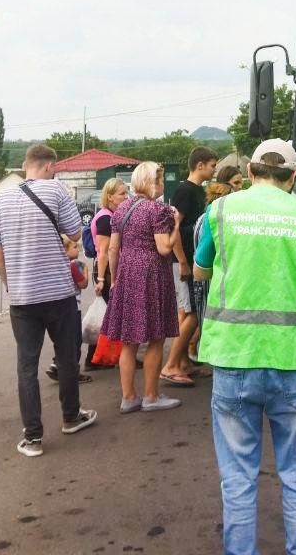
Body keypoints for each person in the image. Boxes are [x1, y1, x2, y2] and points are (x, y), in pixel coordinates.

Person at [193, 139, 296, 555]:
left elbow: (201, 271)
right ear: (292, 178)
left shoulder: (219, 212)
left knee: (237, 478)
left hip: (234, 359)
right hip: (294, 360)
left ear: (250, 173)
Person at [0, 144, 97, 458]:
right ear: (49, 166)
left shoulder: (1, 198)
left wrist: (12, 285)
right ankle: (71, 417)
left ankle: (33, 437)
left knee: (26, 365)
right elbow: (75, 233)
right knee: (65, 358)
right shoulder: (57, 190)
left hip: (22, 298)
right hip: (59, 294)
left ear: (26, 166)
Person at [101, 161, 182, 413]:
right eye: (159, 180)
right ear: (151, 182)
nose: (161, 184)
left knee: (129, 341)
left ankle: (128, 398)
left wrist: (114, 279)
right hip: (153, 275)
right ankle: (151, 396)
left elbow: (113, 249)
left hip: (127, 275)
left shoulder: (121, 209)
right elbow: (165, 248)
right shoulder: (158, 211)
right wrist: (177, 223)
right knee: (156, 338)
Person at [160, 146, 217, 387]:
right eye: (213, 165)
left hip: (192, 261)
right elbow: (173, 226)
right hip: (186, 263)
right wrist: (182, 261)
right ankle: (171, 365)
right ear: (200, 165)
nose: (214, 170)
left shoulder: (197, 191)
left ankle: (184, 363)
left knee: (192, 310)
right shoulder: (184, 191)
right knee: (193, 313)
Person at [86, 177, 129, 370]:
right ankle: (95, 358)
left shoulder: (110, 215)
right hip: (107, 271)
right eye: (122, 193)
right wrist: (102, 279)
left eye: (126, 192)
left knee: (109, 314)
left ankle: (101, 357)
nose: (126, 197)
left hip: (110, 270)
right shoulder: (105, 218)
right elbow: (103, 251)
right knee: (109, 314)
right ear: (110, 196)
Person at [188, 181, 232, 362]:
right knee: (208, 320)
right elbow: (203, 257)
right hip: (208, 280)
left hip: (205, 279)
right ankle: (205, 356)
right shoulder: (210, 218)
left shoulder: (203, 218)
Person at [46, 235, 92, 384]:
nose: (77, 249)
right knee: (74, 340)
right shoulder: (72, 265)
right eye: (74, 247)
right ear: (64, 250)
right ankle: (72, 371)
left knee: (63, 339)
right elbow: (83, 284)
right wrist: (85, 269)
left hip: (58, 305)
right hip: (73, 307)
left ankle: (57, 365)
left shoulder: (57, 265)